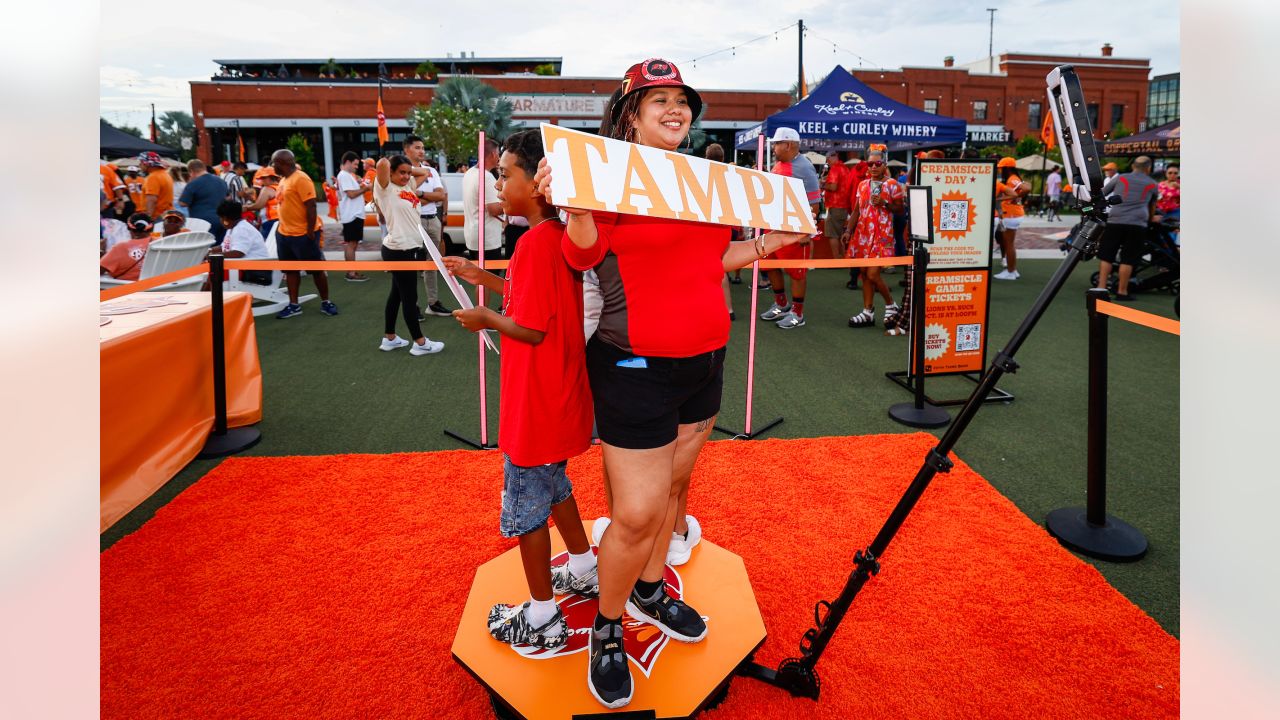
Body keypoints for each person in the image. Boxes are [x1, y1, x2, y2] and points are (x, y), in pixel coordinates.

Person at [532, 57, 810, 709]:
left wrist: (778, 239)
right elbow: (580, 255)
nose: (675, 108)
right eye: (658, 100)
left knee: (675, 491)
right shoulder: (603, 176)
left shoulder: (706, 184)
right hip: (634, 368)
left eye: (681, 99)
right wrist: (574, 204)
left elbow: (716, 260)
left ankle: (650, 590)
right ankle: (607, 626)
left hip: (705, 360)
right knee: (633, 514)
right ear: (630, 113)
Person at [443, 129, 598, 650]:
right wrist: (480, 277)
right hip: (559, 394)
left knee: (528, 507)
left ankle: (543, 617)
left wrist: (485, 316)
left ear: (537, 184)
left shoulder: (533, 243)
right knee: (554, 487)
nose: (498, 183)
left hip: (535, 402)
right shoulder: (555, 236)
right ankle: (582, 566)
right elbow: (535, 299)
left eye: (505, 174)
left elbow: (531, 327)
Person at [371, 153, 445, 355]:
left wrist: (409, 170)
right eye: (400, 172)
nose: (405, 176)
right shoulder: (385, 188)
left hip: (409, 249)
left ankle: (390, 338)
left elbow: (427, 172)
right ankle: (420, 343)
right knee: (409, 296)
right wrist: (391, 161)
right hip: (398, 250)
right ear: (391, 173)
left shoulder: (408, 186)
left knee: (396, 295)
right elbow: (382, 164)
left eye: (407, 172)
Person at [759, 127, 820, 329]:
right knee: (771, 266)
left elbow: (814, 204)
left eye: (777, 143)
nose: (774, 147)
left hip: (794, 232)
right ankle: (781, 304)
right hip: (773, 228)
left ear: (789, 144)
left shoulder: (804, 167)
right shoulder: (779, 164)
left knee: (796, 273)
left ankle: (797, 313)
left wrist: (805, 232)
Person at [271, 148, 338, 319]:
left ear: (283, 163)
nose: (273, 166)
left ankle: (326, 302)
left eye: (274, 163)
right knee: (291, 270)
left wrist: (309, 232)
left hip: (303, 235)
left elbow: (311, 206)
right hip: (285, 234)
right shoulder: (284, 179)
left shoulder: (301, 178)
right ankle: (294, 305)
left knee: (316, 270)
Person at [843, 143, 904, 328]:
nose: (874, 167)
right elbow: (856, 211)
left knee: (873, 273)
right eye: (870, 164)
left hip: (881, 235)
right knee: (863, 273)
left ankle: (891, 304)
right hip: (862, 234)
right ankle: (867, 312)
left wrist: (885, 203)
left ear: (885, 164)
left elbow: (901, 209)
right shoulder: (862, 185)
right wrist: (848, 231)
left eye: (878, 164)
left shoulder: (893, 185)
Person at [1097, 155, 1158, 301]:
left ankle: (1101, 288)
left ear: (1133, 166)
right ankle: (1122, 292)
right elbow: (1152, 207)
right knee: (1128, 258)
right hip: (1137, 223)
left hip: (1116, 220)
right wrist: (1151, 219)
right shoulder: (1153, 184)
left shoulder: (1120, 178)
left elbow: (1102, 193)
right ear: (1148, 168)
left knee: (1107, 255)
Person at [402, 136, 450, 315]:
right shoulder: (402, 172)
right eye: (417, 147)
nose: (421, 151)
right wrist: (420, 196)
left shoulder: (430, 170)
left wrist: (420, 193)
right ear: (407, 149)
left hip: (433, 220)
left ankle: (433, 302)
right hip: (413, 221)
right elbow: (405, 197)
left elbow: (441, 196)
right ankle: (412, 305)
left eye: (422, 148)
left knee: (433, 262)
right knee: (412, 264)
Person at [202, 200, 272, 290]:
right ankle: (205, 295)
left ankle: (208, 297)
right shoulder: (233, 227)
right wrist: (207, 251)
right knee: (209, 266)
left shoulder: (242, 229)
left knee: (214, 269)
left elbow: (238, 253)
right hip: (242, 267)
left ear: (225, 219)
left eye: (220, 218)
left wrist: (212, 256)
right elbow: (223, 247)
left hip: (253, 270)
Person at [463, 138, 503, 262]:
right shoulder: (486, 176)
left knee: (479, 279)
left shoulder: (470, 172)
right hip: (487, 240)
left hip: (474, 236)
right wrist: (513, 202)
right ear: (493, 154)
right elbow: (493, 209)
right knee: (489, 278)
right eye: (498, 153)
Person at [335, 151, 371, 282]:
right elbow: (351, 194)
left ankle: (351, 270)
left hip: (352, 214)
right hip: (352, 215)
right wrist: (366, 189)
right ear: (348, 162)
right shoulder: (344, 175)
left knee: (352, 244)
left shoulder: (345, 175)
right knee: (351, 244)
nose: (357, 167)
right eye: (355, 164)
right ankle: (351, 272)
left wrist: (362, 187)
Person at [993, 157, 1029, 280]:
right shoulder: (1014, 178)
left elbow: (1026, 188)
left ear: (1007, 168)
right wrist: (1016, 197)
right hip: (1014, 214)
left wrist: (1009, 198)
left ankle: (1011, 271)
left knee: (1009, 245)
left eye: (1001, 168)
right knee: (1009, 244)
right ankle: (1013, 270)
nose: (999, 171)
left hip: (1011, 214)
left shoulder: (1012, 178)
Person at [178, 159, 227, 242]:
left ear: (191, 171)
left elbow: (182, 203)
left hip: (201, 222)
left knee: (204, 249)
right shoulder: (221, 181)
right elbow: (228, 197)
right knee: (219, 249)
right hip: (222, 219)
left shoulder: (193, 184)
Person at [100, 213, 155, 281]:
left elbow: (99, 270)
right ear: (151, 229)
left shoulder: (120, 248)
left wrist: (101, 250)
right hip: (159, 288)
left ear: (129, 228)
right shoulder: (162, 243)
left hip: (126, 289)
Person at [822, 150, 852, 269]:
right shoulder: (845, 168)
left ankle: (837, 260)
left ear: (832, 157)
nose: (827, 162)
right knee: (840, 234)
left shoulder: (835, 169)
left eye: (828, 159)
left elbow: (833, 187)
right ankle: (843, 259)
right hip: (844, 206)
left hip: (836, 205)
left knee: (832, 234)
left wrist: (822, 184)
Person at [246, 168, 281, 239]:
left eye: (264, 178)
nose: (262, 180)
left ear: (271, 177)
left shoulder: (267, 189)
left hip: (270, 221)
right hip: (280, 220)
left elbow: (259, 205)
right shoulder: (280, 187)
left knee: (266, 246)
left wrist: (246, 208)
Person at [140, 152, 174, 219]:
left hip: (156, 216)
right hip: (167, 214)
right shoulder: (165, 175)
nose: (140, 165)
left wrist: (148, 218)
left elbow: (152, 200)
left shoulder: (153, 177)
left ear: (147, 164)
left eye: (141, 162)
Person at [1156, 164, 1180, 244]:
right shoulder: (1160, 185)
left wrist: (1179, 188)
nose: (1173, 175)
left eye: (1175, 173)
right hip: (1161, 212)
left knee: (1171, 234)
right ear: (1166, 174)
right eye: (1170, 173)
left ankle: (1169, 254)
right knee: (1160, 234)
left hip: (1175, 213)